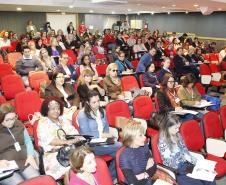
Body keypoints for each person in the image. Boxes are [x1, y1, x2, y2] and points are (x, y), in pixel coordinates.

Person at [158, 113, 216, 185]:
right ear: (167, 127)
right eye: (176, 128)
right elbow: (168, 162)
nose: (178, 130)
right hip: (178, 169)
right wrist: (185, 163)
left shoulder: (178, 135)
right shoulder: (163, 141)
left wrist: (198, 164)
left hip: (187, 164)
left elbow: (185, 151)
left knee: (210, 178)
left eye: (179, 127)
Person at [77, 90, 121, 180]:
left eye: (98, 101)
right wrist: (103, 135)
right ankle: (110, 177)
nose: (97, 104)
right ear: (87, 103)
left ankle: (108, 177)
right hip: (90, 144)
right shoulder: (82, 115)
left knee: (119, 154)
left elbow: (106, 128)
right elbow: (86, 135)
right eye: (94, 102)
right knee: (122, 147)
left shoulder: (102, 111)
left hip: (102, 141)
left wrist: (106, 136)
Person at [37, 97, 80, 180]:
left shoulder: (62, 119)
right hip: (54, 155)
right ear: (46, 110)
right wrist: (67, 142)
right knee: (70, 167)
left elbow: (73, 132)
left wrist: (78, 138)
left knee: (84, 158)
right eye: (53, 109)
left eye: (58, 108)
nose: (56, 111)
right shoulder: (42, 123)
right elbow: (50, 141)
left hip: (69, 150)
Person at [0, 103, 39, 185]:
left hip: (23, 161)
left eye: (13, 118)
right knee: (19, 183)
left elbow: (28, 141)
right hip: (6, 166)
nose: (11, 122)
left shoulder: (19, 124)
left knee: (36, 180)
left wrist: (30, 156)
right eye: (7, 120)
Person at [120, 121, 165, 185]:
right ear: (131, 138)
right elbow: (132, 181)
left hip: (149, 181)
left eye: (143, 134)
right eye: (140, 135)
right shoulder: (125, 156)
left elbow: (154, 166)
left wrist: (144, 174)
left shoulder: (144, 146)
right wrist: (147, 170)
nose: (145, 137)